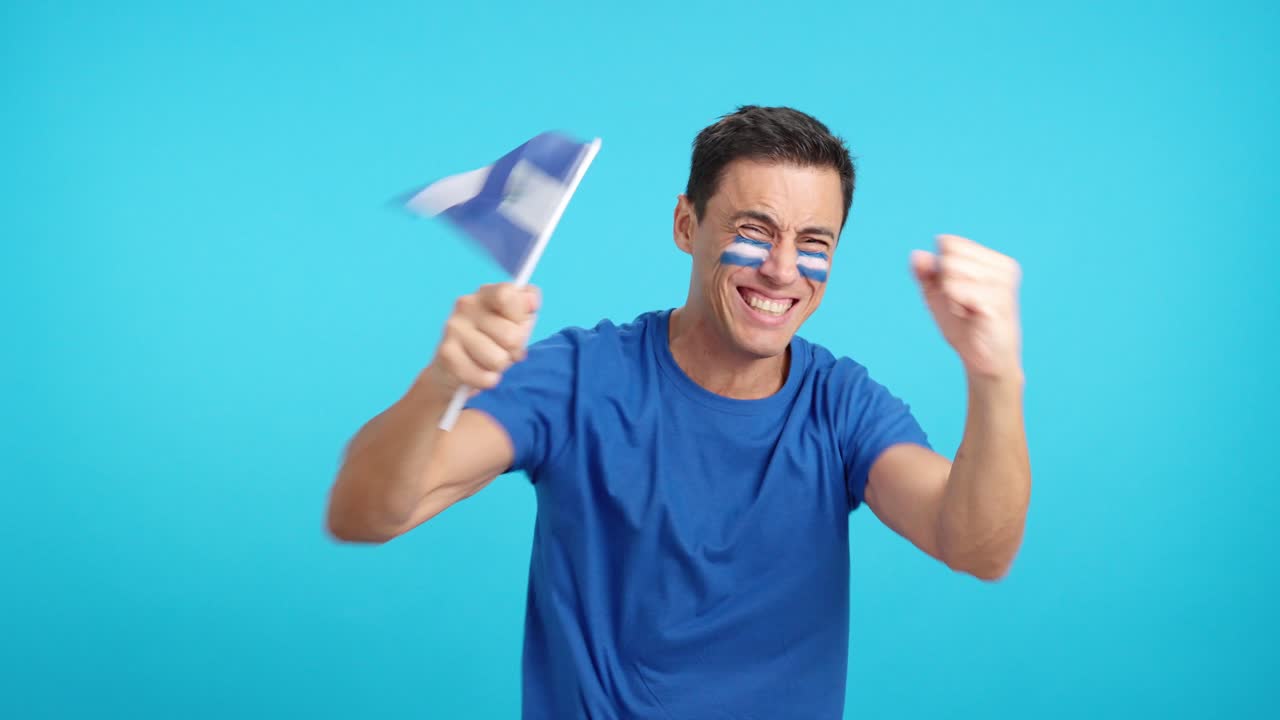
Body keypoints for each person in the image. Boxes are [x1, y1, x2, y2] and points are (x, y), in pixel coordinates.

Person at [326, 105, 1031, 719]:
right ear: (687, 225)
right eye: (755, 230)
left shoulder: (841, 405)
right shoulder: (579, 379)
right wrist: (440, 384)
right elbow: (364, 513)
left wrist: (994, 375)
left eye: (814, 243)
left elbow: (977, 547)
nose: (782, 269)